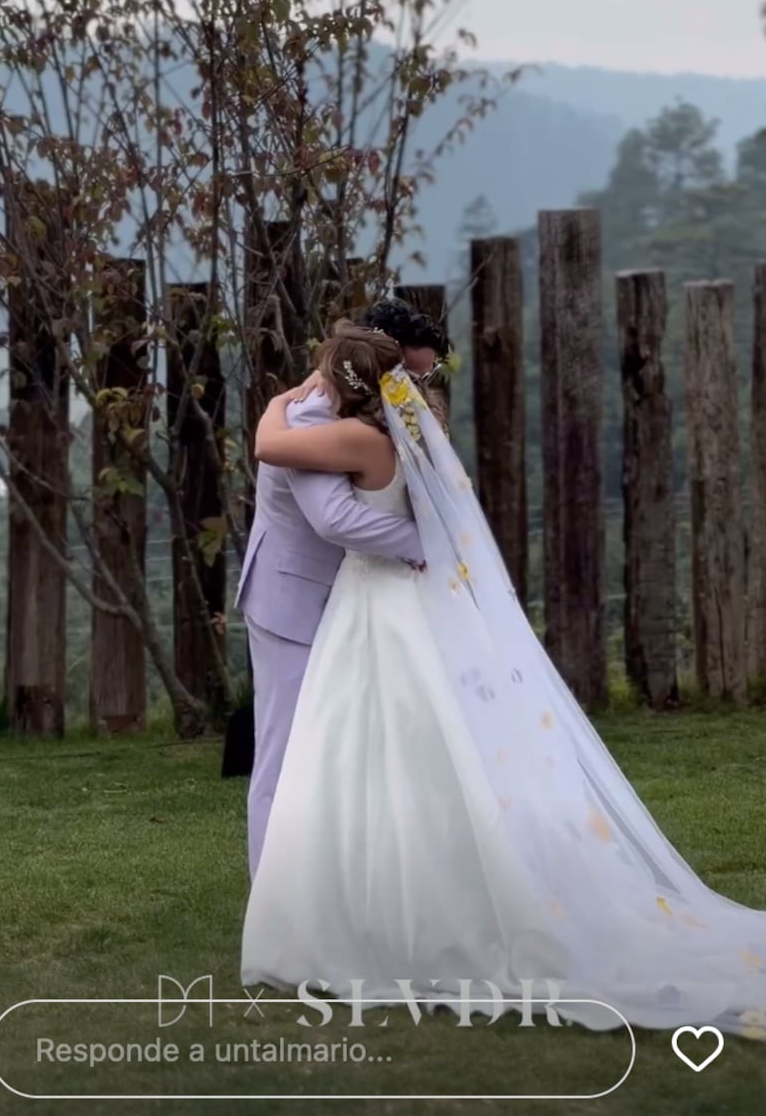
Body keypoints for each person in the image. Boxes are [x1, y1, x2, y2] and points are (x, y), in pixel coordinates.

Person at [241, 327, 766, 1040]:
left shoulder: (353, 441)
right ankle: (381, 896)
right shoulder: (412, 438)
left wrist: (278, 408)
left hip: (375, 600)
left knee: (341, 756)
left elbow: (323, 504)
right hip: (384, 605)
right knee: (398, 756)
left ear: (347, 386)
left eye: (326, 375)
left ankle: (326, 911)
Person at [236, 299, 448, 879]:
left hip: (355, 600)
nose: (418, 388)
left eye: (426, 377)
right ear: (379, 357)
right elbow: (335, 520)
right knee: (284, 754)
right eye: (413, 373)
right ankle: (272, 896)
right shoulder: (311, 417)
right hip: (294, 599)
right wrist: (429, 542)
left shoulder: (359, 415)